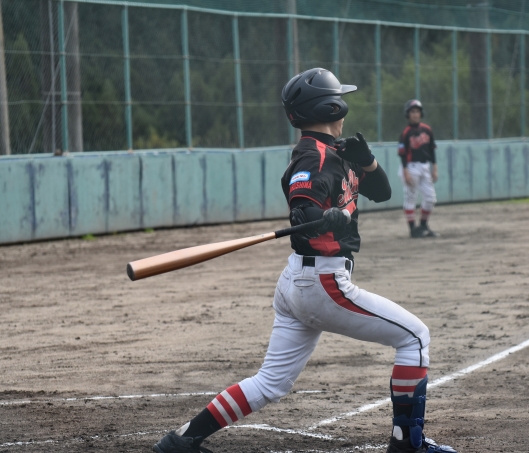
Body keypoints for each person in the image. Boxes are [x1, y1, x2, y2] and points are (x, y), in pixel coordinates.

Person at [152, 68, 456, 453]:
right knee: (415, 337)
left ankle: (182, 441)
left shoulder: (338, 150)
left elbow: (382, 192)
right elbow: (302, 209)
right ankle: (407, 445)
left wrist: (367, 162)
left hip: (298, 283)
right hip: (322, 282)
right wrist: (323, 217)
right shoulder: (312, 155)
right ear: (330, 106)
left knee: (271, 382)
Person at [398, 100, 439, 238]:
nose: (415, 114)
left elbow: (432, 150)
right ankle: (413, 229)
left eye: (417, 111)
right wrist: (405, 171)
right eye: (412, 112)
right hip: (410, 167)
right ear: (408, 114)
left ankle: (423, 225)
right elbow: (402, 154)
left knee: (431, 198)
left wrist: (435, 167)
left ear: (421, 113)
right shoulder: (406, 132)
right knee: (410, 197)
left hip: (425, 166)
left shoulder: (427, 129)